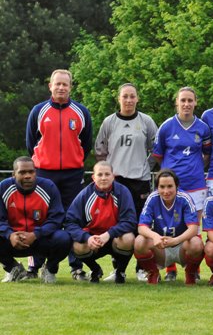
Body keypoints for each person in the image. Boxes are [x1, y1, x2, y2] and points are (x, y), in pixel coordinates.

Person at [26, 69, 92, 280]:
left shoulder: (81, 112)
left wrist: (73, 161)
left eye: (65, 84)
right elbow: (31, 144)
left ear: (70, 87)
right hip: (44, 173)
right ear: (50, 86)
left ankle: (76, 266)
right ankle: (35, 266)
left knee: (73, 219)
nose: (61, 87)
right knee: (39, 219)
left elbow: (86, 144)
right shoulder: (38, 111)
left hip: (73, 174)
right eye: (58, 84)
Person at [95, 83, 158, 282]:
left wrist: (145, 166)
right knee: (117, 226)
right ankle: (118, 269)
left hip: (140, 181)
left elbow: (156, 150)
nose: (129, 100)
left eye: (132, 96)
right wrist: (108, 174)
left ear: (137, 98)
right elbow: (100, 152)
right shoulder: (109, 122)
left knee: (141, 225)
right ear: (119, 99)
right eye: (125, 96)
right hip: (118, 183)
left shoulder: (146, 121)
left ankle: (142, 268)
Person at [153, 86, 211, 281]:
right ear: (177, 102)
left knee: (195, 228)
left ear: (195, 103)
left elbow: (206, 155)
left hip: (195, 184)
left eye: (190, 100)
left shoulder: (202, 127)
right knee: (167, 225)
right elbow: (158, 156)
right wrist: (171, 176)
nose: (186, 104)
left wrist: (192, 169)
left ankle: (193, 268)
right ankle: (170, 269)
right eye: (183, 100)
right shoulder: (167, 126)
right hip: (172, 187)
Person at [0, 157, 71, 283]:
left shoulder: (48, 186)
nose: (28, 176)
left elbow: (57, 218)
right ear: (13, 174)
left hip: (40, 239)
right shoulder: (3, 187)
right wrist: (10, 235)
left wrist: (36, 234)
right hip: (13, 240)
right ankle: (13, 269)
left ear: (35, 173)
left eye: (31, 172)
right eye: (22, 172)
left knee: (64, 238)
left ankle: (50, 269)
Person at [64, 161, 136, 283]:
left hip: (114, 238)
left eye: (107, 174)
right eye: (100, 174)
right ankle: (95, 269)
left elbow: (130, 221)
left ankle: (120, 271)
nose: (103, 178)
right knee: (77, 245)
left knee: (129, 238)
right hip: (94, 240)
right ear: (93, 177)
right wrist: (87, 238)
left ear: (113, 176)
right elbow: (70, 222)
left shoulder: (123, 192)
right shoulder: (85, 195)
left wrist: (108, 234)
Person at [134, 169, 204, 285]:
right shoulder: (152, 198)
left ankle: (190, 273)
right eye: (162, 187)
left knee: (196, 243)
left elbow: (193, 228)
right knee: (139, 241)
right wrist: (155, 236)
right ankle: (153, 273)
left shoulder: (185, 198)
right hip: (161, 247)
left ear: (177, 186)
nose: (166, 191)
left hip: (181, 246)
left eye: (170, 186)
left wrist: (176, 240)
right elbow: (141, 227)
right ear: (157, 187)